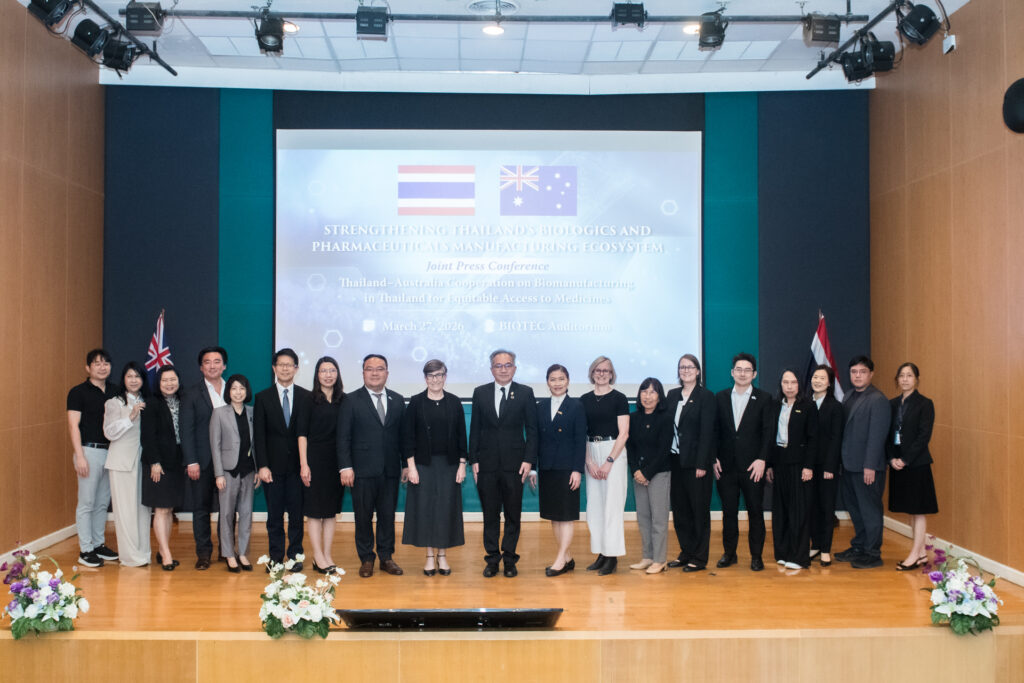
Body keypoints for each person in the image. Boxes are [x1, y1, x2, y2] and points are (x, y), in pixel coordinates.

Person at [468, 349, 538, 578]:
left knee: (512, 514)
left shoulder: (525, 393)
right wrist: (474, 460)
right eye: (498, 365)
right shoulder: (480, 393)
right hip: (486, 465)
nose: (503, 369)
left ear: (514, 368)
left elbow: (533, 431)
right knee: (490, 515)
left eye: (508, 365)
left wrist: (529, 460)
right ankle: (492, 559)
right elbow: (475, 429)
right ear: (492, 369)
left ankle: (509, 559)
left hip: (515, 465)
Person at [337, 354, 406, 578]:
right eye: (370, 369)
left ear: (387, 373)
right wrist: (345, 467)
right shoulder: (350, 400)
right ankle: (366, 558)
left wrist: (406, 464)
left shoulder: (398, 400)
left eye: (380, 369)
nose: (375, 373)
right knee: (363, 517)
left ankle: (386, 557)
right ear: (363, 373)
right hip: (361, 471)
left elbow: (403, 437)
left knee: (387, 516)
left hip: (390, 470)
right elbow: (343, 436)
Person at [401, 359, 467, 576]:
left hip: (449, 465)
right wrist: (411, 467)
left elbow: (461, 437)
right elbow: (408, 438)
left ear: (445, 377)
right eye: (431, 376)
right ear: (425, 378)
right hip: (423, 465)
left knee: (446, 510)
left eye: (439, 375)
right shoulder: (416, 402)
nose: (435, 379)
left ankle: (443, 555)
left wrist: (462, 465)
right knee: (426, 510)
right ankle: (430, 556)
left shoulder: (454, 402)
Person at [713, 352, 772, 572]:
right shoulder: (720, 397)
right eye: (739, 369)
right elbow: (714, 431)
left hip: (753, 467)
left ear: (754, 374)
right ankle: (729, 554)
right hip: (725, 467)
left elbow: (768, 433)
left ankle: (756, 556)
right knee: (729, 513)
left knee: (755, 512)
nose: (743, 373)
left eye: (747, 370)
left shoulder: (764, 398)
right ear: (732, 372)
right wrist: (713, 458)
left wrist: (762, 459)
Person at [253, 348, 310, 571]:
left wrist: (306, 464)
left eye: (289, 365)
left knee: (296, 516)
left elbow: (307, 434)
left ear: (296, 368)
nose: (285, 369)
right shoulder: (263, 397)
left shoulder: (306, 397)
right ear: (274, 368)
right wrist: (262, 466)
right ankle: (275, 558)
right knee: (274, 516)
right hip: (272, 468)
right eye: (281, 364)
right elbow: (259, 435)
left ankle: (295, 556)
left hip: (297, 468)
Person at [836, 355, 891, 570]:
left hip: (867, 468)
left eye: (862, 372)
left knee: (870, 511)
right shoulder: (849, 395)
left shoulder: (878, 400)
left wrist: (870, 465)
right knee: (855, 510)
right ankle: (859, 546)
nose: (857, 376)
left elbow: (877, 436)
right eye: (854, 372)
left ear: (871, 374)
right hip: (849, 465)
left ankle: (873, 553)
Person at [67, 348, 119, 568]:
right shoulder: (77, 392)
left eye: (106, 363)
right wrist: (80, 456)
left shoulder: (116, 390)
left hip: (111, 452)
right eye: (97, 363)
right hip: (89, 452)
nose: (102, 367)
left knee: (102, 503)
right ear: (88, 368)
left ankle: (98, 544)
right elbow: (73, 425)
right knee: (87, 503)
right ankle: (85, 550)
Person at [579, 356, 630, 576]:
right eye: (598, 370)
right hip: (591, 450)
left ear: (611, 374)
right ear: (592, 373)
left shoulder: (619, 398)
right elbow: (581, 433)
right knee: (595, 507)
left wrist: (609, 461)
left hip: (613, 451)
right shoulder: (584, 399)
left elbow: (624, 433)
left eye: (606, 371)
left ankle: (612, 556)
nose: (602, 374)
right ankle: (601, 552)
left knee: (612, 506)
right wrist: (589, 460)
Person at [666, 354, 717, 573]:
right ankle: (686, 552)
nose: (685, 370)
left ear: (697, 371)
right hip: (675, 461)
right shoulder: (672, 395)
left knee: (699, 511)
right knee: (680, 511)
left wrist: (702, 464)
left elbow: (707, 433)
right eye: (682, 367)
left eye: (690, 367)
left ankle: (699, 557)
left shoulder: (706, 396)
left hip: (696, 463)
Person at [534, 364, 586, 577]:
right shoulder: (540, 406)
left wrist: (577, 470)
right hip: (547, 468)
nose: (557, 383)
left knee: (566, 516)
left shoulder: (576, 406)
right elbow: (536, 439)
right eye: (553, 379)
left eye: (561, 379)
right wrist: (534, 468)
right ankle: (567, 557)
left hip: (567, 468)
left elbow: (580, 440)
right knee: (554, 517)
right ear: (547, 382)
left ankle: (560, 560)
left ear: (568, 381)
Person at [179, 346, 228, 570]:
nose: (212, 366)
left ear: (224, 366)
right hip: (203, 460)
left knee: (228, 509)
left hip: (229, 460)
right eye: (207, 362)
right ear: (201, 367)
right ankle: (204, 553)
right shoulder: (191, 393)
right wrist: (191, 461)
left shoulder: (233, 389)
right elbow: (186, 430)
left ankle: (226, 551)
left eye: (217, 361)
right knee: (201, 509)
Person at [886, 362, 938, 571]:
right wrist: (892, 458)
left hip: (916, 464)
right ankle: (922, 553)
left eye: (909, 375)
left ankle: (914, 555)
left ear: (916, 379)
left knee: (918, 510)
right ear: (897, 379)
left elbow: (924, 436)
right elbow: (887, 435)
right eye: (901, 375)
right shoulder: (892, 404)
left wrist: (905, 459)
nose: (905, 379)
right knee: (910, 509)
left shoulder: (925, 404)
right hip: (897, 463)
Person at [298, 357, 345, 574]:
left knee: (331, 511)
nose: (328, 375)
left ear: (337, 373)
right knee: (315, 512)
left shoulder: (344, 400)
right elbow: (302, 435)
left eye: (332, 370)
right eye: (324, 371)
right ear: (317, 374)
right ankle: (317, 555)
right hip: (314, 460)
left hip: (337, 462)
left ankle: (327, 554)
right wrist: (304, 464)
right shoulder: (308, 400)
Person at [102, 361, 152, 567]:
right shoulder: (114, 403)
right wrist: (130, 417)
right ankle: (130, 557)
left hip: (143, 462)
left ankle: (143, 553)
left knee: (143, 510)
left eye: (137, 376)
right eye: (129, 376)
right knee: (124, 512)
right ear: (123, 379)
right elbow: (109, 432)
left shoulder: (147, 401)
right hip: (122, 462)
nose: (133, 380)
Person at [768, 370, 818, 571]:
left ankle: (799, 557)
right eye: (785, 382)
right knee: (781, 510)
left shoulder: (808, 406)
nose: (789, 386)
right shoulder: (774, 405)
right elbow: (769, 437)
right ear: (780, 384)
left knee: (798, 511)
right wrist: (769, 464)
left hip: (799, 464)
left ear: (800, 385)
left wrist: (808, 466)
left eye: (793, 382)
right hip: (779, 462)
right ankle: (783, 553)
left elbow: (814, 439)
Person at [209, 374, 257, 573]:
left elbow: (257, 444)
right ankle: (229, 554)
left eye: (242, 388)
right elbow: (215, 446)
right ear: (229, 391)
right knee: (227, 514)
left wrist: (257, 469)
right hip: (228, 472)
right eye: (234, 388)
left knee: (246, 514)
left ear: (247, 391)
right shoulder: (219, 413)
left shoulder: (252, 412)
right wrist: (218, 474)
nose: (238, 392)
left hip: (248, 471)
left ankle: (243, 553)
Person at [141, 365, 186, 571]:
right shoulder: (151, 403)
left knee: (168, 508)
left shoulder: (183, 400)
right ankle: (166, 554)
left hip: (176, 461)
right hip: (158, 464)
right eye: (165, 380)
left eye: (172, 379)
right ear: (158, 383)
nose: (169, 383)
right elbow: (147, 436)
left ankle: (163, 549)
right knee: (160, 508)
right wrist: (155, 462)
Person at [626, 378, 673, 574]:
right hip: (639, 475)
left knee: (659, 519)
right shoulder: (633, 418)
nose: (648, 396)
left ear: (659, 396)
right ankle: (647, 556)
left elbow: (664, 450)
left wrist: (647, 473)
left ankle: (660, 559)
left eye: (652, 392)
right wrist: (636, 471)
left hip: (659, 473)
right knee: (644, 518)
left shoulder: (665, 418)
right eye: (644, 392)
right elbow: (630, 447)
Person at [808, 364, 843, 567]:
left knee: (826, 507)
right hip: (808, 466)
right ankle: (816, 544)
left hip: (827, 467)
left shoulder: (835, 407)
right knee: (811, 506)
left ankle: (826, 549)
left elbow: (836, 439)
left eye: (822, 378)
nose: (817, 381)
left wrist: (830, 467)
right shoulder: (805, 403)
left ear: (829, 383)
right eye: (815, 377)